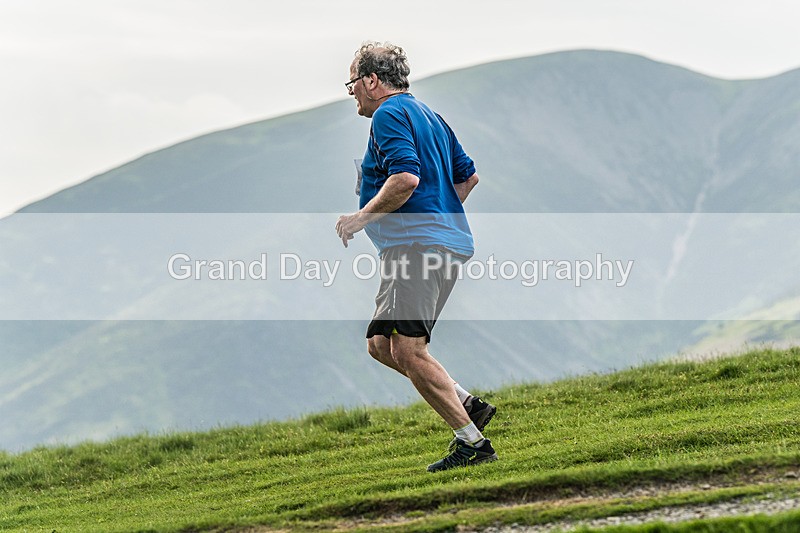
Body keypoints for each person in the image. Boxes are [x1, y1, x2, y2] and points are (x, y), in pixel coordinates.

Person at [335, 41, 498, 472]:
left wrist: (361, 218)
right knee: (379, 345)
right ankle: (467, 404)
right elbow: (469, 177)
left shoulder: (389, 114)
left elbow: (405, 177)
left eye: (352, 81)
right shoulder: (430, 115)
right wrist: (439, 212)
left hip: (417, 249)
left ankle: (472, 444)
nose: (351, 90)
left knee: (407, 350)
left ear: (371, 81)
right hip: (433, 245)